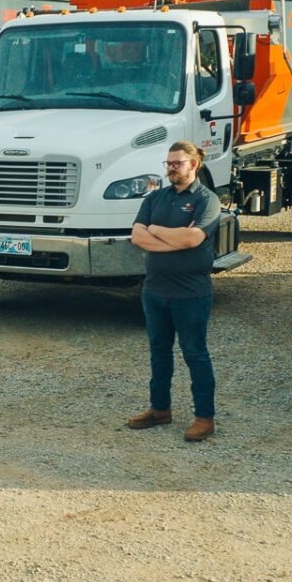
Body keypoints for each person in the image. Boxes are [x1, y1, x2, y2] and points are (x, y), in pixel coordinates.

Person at [125, 140, 224, 442]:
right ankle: (159, 409)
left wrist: (156, 230)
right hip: (154, 292)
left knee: (195, 354)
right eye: (168, 163)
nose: (170, 168)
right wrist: (170, 236)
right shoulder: (157, 198)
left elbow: (192, 240)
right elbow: (136, 235)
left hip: (191, 294)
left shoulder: (208, 200)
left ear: (194, 165)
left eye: (176, 163)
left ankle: (204, 417)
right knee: (159, 353)